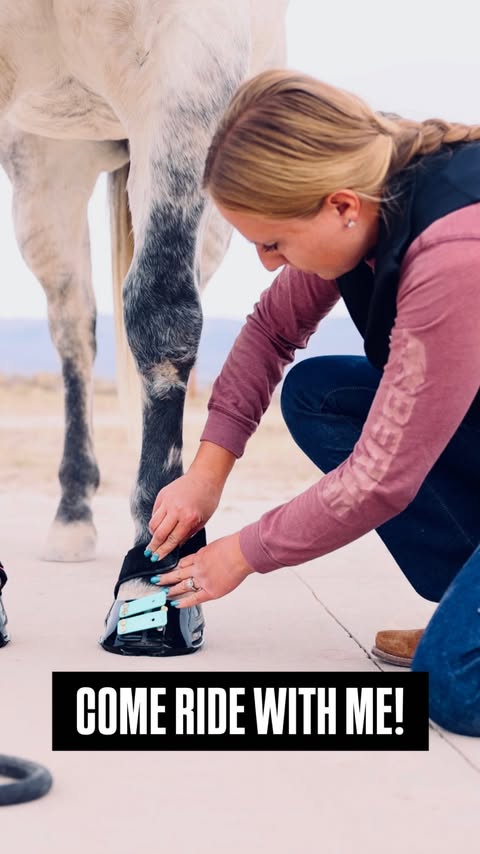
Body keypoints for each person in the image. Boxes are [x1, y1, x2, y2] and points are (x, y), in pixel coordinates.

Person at [145, 70, 480, 737]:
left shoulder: (453, 257)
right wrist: (205, 476)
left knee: (454, 691)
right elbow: (270, 332)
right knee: (322, 395)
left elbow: (383, 477)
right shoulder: (379, 183)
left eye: (275, 243)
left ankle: (463, 646)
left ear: (341, 206)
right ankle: (465, 620)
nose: (271, 264)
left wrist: (242, 552)